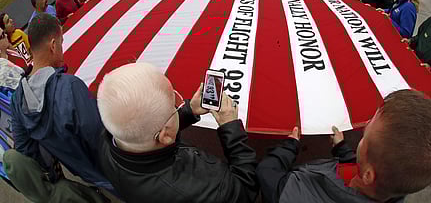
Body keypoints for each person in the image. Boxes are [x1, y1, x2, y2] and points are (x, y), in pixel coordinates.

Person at [96, 63, 258, 203]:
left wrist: (188, 111)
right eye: (175, 105)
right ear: (165, 136)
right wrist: (231, 128)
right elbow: (246, 189)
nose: (180, 103)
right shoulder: (204, 189)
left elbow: (146, 127)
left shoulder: (111, 139)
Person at [257, 89, 431, 203]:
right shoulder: (391, 181)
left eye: (365, 136)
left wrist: (289, 147)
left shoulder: (297, 195)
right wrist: (342, 149)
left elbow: (267, 173)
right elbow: (364, 165)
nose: (365, 126)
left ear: (368, 175)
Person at [10, 13, 114, 192]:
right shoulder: (70, 87)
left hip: (84, 177)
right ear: (52, 45)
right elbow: (101, 140)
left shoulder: (17, 101)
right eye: (61, 42)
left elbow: (26, 150)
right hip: (113, 175)